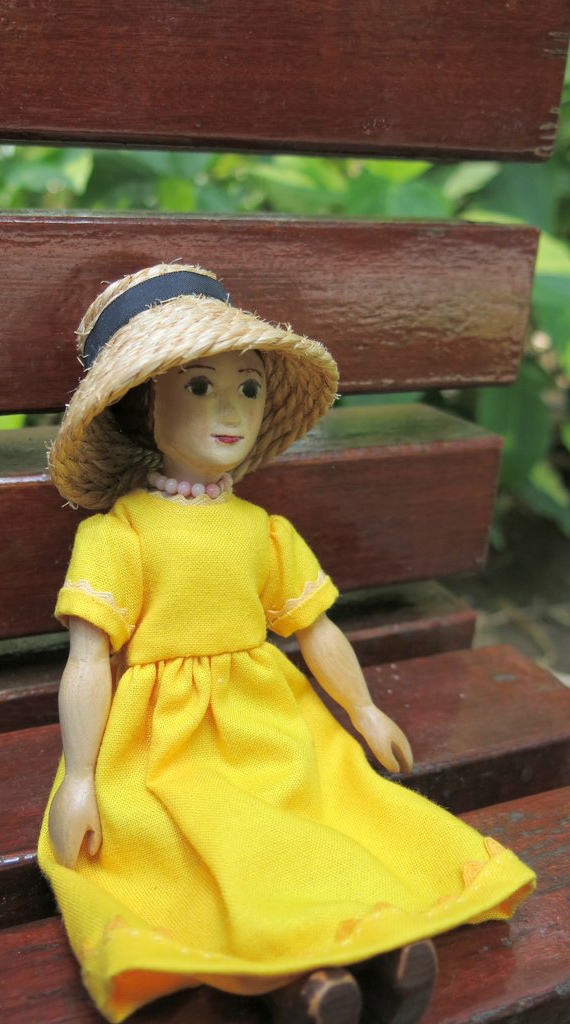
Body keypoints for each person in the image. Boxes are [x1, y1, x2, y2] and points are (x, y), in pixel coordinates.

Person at [37, 263, 535, 1024]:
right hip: (165, 741)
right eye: (199, 386)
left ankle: (379, 937)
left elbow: (316, 629)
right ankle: (305, 980)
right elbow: (87, 659)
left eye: (249, 387)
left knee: (329, 812)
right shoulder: (120, 534)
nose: (231, 409)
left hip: (269, 718)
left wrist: (362, 711)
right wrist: (79, 778)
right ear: (144, 408)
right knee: (206, 851)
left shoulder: (263, 531)